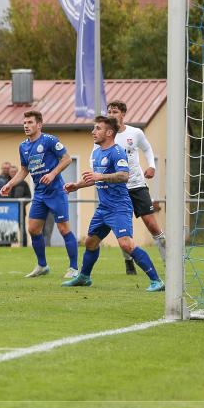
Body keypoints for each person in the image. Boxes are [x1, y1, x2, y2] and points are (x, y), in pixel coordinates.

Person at [62, 116, 164, 292]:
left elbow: (124, 176)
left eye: (98, 128)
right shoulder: (96, 153)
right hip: (104, 208)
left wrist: (100, 177)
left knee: (126, 244)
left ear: (109, 133)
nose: (93, 132)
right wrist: (76, 186)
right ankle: (84, 277)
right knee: (90, 242)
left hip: (119, 207)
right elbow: (95, 178)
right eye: (94, 128)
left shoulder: (117, 152)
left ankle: (156, 281)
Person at [0, 110, 79, 279]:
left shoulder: (50, 140)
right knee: (33, 229)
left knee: (64, 229)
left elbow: (67, 159)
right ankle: (42, 266)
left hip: (56, 191)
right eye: (25, 123)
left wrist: (52, 174)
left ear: (39, 124)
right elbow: (24, 170)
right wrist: (10, 183)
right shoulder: (23, 146)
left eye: (30, 122)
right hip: (40, 194)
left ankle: (73, 268)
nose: (26, 126)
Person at [108, 99, 167, 271]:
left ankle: (167, 261)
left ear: (123, 114)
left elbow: (147, 149)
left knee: (152, 224)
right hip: (118, 188)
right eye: (109, 112)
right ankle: (128, 262)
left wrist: (152, 166)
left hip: (137, 185)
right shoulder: (106, 135)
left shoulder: (135, 133)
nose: (112, 115)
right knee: (123, 228)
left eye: (115, 112)